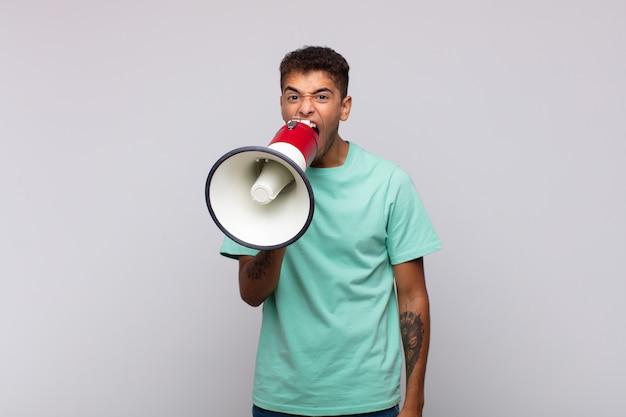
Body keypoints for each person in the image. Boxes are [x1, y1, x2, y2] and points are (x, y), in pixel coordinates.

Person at [219, 46, 441, 417]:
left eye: (321, 96)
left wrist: (415, 400)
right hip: (282, 400)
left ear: (344, 107)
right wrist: (279, 206)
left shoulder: (387, 182)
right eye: (294, 96)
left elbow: (412, 296)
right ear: (282, 106)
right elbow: (251, 293)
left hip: (369, 400)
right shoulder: (253, 182)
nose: (306, 108)